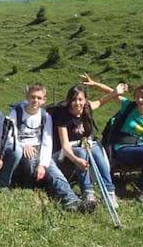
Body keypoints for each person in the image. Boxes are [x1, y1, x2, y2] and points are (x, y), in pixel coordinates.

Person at [51, 76, 126, 210]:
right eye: (73, 100)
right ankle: (88, 192)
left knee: (97, 149)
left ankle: (109, 192)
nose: (77, 103)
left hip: (86, 144)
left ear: (85, 100)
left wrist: (115, 92)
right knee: (81, 152)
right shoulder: (63, 116)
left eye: (80, 99)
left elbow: (101, 101)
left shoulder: (87, 107)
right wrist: (76, 160)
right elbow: (65, 146)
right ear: (69, 101)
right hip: (66, 151)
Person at [10, 84, 84, 211]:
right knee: (30, 160)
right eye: (32, 97)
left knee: (52, 169)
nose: (35, 101)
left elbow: (47, 142)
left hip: (39, 149)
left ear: (44, 100)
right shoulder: (16, 112)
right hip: (21, 148)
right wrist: (23, 145)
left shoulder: (45, 117)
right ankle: (32, 183)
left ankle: (72, 201)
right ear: (27, 97)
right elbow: (10, 136)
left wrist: (43, 165)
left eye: (39, 98)